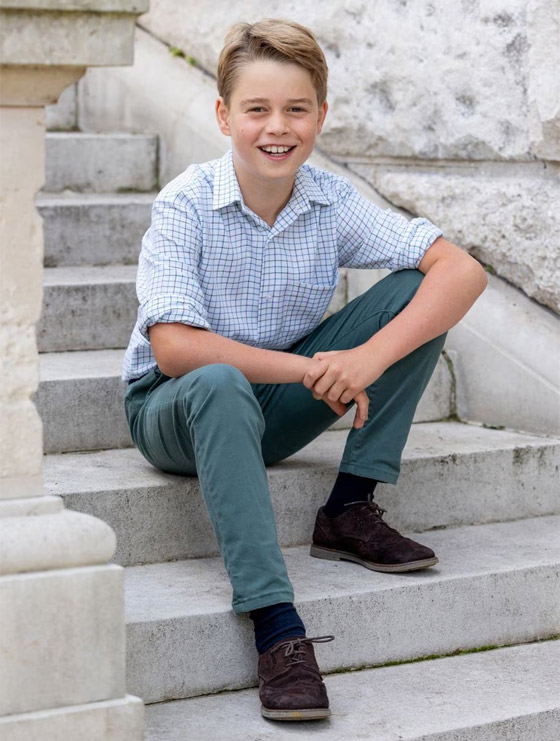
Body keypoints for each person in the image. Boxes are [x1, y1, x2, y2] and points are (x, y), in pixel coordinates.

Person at [122, 18, 487, 721]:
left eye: (295, 109)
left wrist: (367, 358)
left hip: (272, 409)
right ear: (224, 115)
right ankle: (276, 625)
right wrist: (306, 369)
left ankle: (348, 507)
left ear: (320, 115)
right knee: (219, 380)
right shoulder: (186, 204)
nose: (277, 128)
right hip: (173, 409)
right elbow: (174, 347)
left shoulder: (329, 200)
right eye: (257, 109)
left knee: (416, 292)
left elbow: (461, 271)